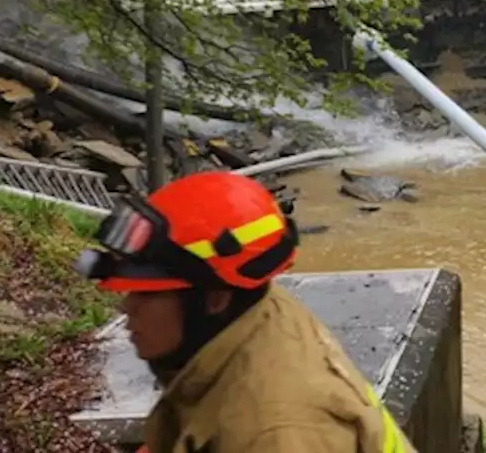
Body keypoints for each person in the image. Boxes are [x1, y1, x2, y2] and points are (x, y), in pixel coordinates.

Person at [74, 171, 416, 453]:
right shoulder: (253, 314)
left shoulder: (278, 432)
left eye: (148, 295)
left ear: (215, 299)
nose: (126, 306)